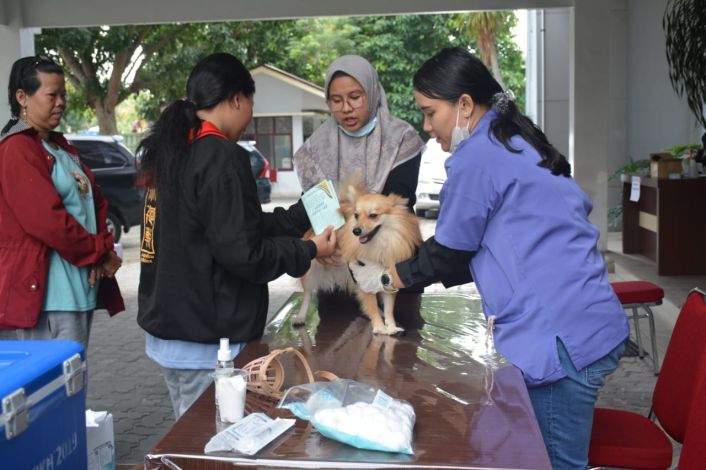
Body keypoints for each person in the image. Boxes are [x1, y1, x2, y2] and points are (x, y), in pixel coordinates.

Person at [349, 47, 629, 469]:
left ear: (464, 105)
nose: (428, 128)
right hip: (584, 320)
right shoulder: (510, 137)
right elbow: (471, 250)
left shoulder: (477, 157)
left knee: (552, 461)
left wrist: (385, 279)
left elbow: (449, 252)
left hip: (561, 337)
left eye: (430, 113)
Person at [136, 52, 337, 419]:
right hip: (207, 342)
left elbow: (232, 226)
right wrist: (309, 249)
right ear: (236, 99)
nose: (248, 117)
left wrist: (303, 212)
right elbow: (244, 253)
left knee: (193, 434)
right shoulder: (220, 155)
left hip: (174, 332)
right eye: (250, 105)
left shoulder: (175, 150)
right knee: (212, 443)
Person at [0, 56, 124, 352]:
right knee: (52, 388)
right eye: (51, 95)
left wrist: (102, 247)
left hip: (76, 288)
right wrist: (98, 252)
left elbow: (96, 204)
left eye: (63, 95)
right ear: (22, 97)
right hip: (48, 295)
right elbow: (46, 221)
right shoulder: (17, 149)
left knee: (73, 381)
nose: (60, 102)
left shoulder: (59, 146)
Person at [294, 55, 424, 207]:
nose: (346, 108)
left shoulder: (400, 137)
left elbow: (399, 202)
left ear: (372, 94)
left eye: (355, 97)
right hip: (331, 231)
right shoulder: (316, 146)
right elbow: (311, 208)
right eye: (336, 101)